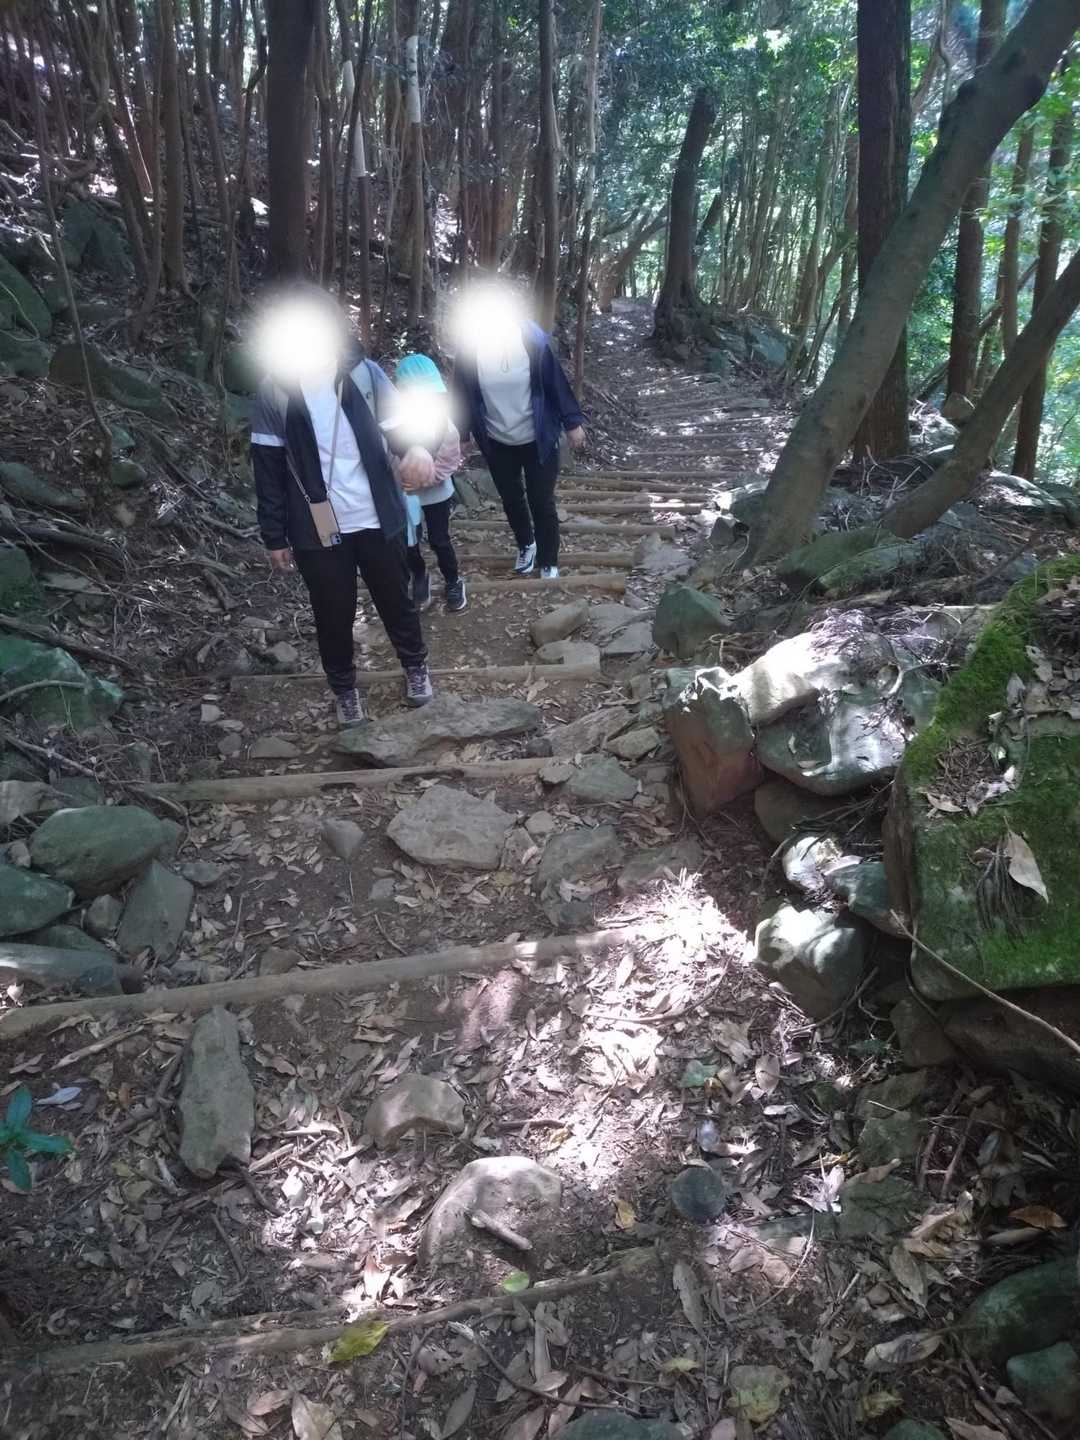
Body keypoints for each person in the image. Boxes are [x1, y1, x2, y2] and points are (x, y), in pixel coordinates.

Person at [249, 286, 441, 728]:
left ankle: (415, 666)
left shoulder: (365, 376)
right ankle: (345, 690)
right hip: (315, 526)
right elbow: (267, 468)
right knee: (332, 613)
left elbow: (406, 429)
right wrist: (274, 535)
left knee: (396, 599)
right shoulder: (275, 391)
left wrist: (419, 449)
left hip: (377, 516)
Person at [453, 301, 586, 579]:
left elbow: (556, 383)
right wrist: (463, 434)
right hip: (496, 439)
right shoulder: (469, 353)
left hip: (538, 436)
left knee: (541, 500)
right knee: (511, 498)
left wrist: (572, 422)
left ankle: (548, 558)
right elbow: (462, 395)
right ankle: (526, 544)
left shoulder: (533, 344)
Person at [393, 353, 467, 614]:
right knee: (409, 541)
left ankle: (453, 580)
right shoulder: (392, 424)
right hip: (405, 492)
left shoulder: (445, 426)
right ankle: (419, 575)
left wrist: (423, 480)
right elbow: (388, 457)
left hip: (435, 491)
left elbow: (448, 462)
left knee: (439, 539)